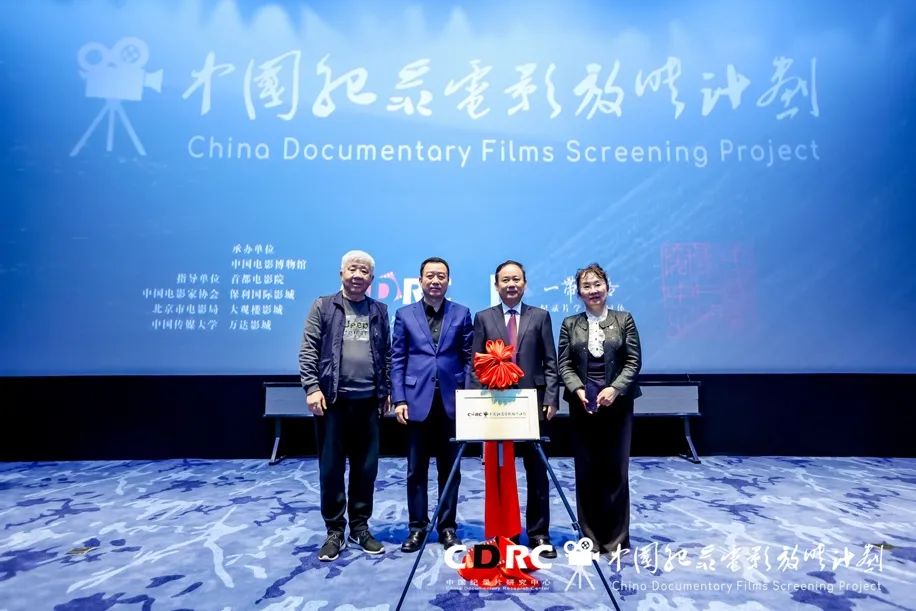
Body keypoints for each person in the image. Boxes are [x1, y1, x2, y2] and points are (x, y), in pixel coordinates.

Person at [298, 250, 391, 561]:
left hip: (368, 403)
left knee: (366, 470)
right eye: (353, 269)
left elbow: (386, 353)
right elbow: (309, 349)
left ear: (371, 278)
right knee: (332, 469)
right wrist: (312, 387)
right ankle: (335, 531)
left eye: (364, 271)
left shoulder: (379, 310)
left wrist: (386, 390)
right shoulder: (324, 305)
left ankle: (360, 527)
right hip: (333, 403)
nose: (357, 275)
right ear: (341, 274)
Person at [471, 260, 560, 558]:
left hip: (532, 404)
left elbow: (550, 362)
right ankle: (505, 532)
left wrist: (551, 398)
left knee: (537, 470)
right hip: (497, 405)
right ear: (496, 285)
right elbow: (476, 364)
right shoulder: (484, 318)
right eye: (505, 280)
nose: (511, 285)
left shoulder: (540, 316)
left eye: (516, 279)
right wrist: (477, 404)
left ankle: (539, 533)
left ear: (524, 283)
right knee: (500, 470)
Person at [557, 263, 641, 555]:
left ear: (607, 287)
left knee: (616, 471)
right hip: (583, 405)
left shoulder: (624, 319)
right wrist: (577, 390)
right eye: (586, 286)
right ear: (578, 292)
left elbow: (633, 361)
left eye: (597, 284)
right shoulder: (570, 324)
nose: (593, 290)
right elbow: (564, 364)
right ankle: (590, 538)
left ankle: (617, 539)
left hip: (618, 404)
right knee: (587, 471)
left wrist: (615, 389)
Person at [391, 257, 474, 553]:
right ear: (420, 280)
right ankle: (417, 527)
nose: (435, 280)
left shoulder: (461, 313)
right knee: (416, 470)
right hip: (416, 402)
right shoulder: (404, 314)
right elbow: (397, 359)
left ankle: (447, 527)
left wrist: (467, 397)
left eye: (441, 276)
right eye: (430, 276)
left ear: (448, 281)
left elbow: (469, 358)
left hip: (452, 403)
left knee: (450, 470)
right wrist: (399, 398)